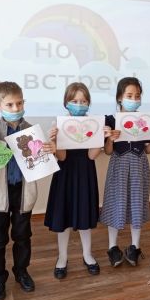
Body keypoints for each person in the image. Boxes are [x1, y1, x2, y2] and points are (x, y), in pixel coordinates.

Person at [0, 82, 55, 300]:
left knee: (22, 235)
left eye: (19, 103)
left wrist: (48, 151)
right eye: (10, 105)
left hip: (23, 191)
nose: (15, 108)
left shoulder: (32, 131)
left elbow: (40, 163)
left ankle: (21, 271)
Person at [45, 82, 110, 279]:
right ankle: (62, 257)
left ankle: (87, 255)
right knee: (63, 217)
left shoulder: (94, 123)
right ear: (66, 102)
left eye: (83, 101)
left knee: (84, 215)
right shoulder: (59, 124)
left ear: (89, 103)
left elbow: (92, 156)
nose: (79, 105)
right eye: (74, 101)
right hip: (65, 174)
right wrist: (54, 141)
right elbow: (62, 157)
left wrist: (101, 138)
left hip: (85, 173)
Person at [101, 77, 150, 267]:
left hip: (139, 165)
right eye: (129, 95)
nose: (134, 99)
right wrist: (110, 139)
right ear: (119, 97)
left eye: (137, 96)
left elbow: (148, 149)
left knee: (137, 204)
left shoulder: (144, 120)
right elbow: (108, 151)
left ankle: (135, 247)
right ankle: (112, 247)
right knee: (115, 204)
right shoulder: (110, 120)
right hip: (118, 166)